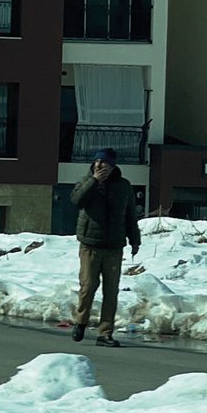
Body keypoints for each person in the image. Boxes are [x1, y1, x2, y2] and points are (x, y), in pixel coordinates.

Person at [70, 148, 142, 346]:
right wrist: (94, 181)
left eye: (104, 163)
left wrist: (135, 239)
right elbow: (76, 200)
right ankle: (80, 322)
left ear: (112, 166)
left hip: (114, 246)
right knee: (88, 286)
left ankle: (105, 333)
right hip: (90, 245)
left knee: (111, 291)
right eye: (97, 162)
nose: (100, 166)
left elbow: (130, 216)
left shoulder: (123, 186)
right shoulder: (86, 181)